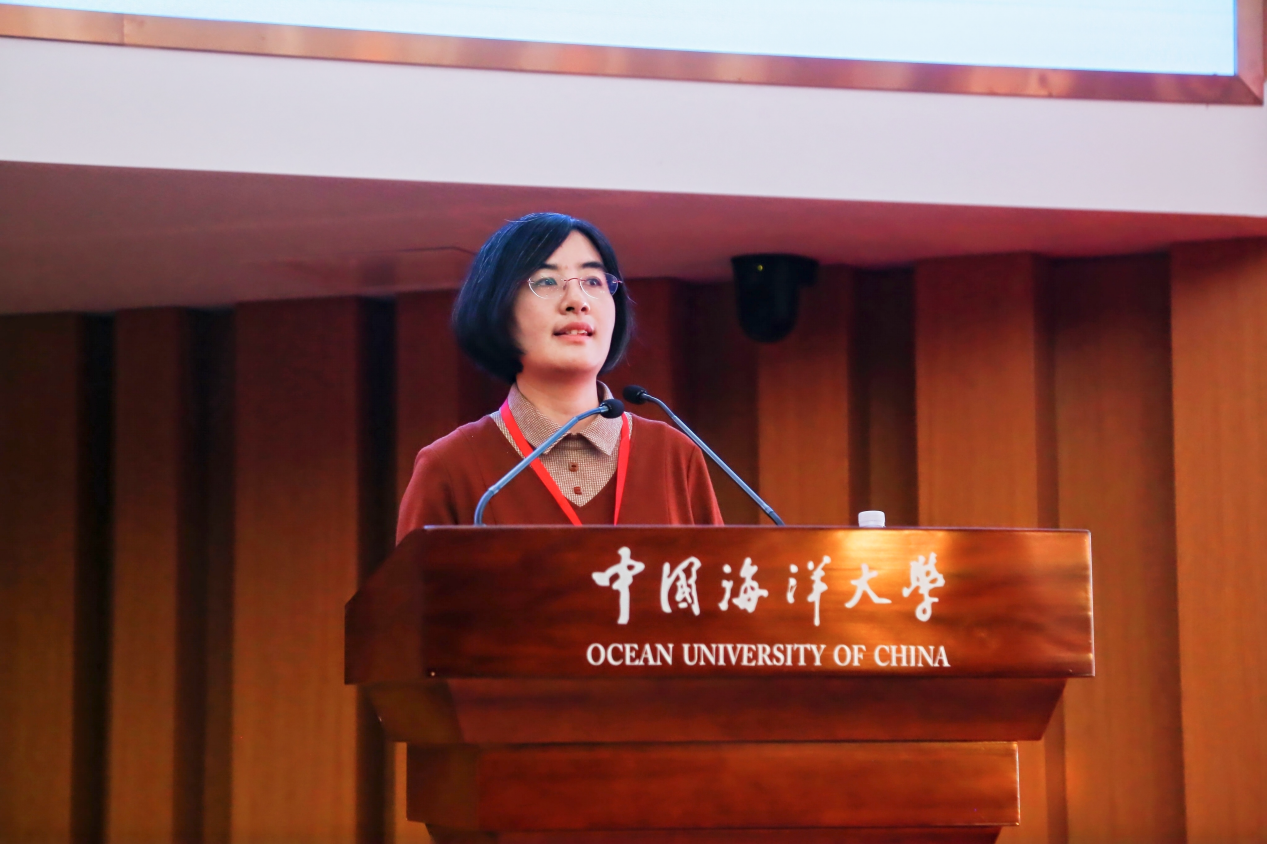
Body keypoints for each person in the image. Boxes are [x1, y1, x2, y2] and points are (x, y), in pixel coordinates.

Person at [396, 212, 722, 538]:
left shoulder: (673, 454)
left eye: (593, 281)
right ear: (498, 307)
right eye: (547, 282)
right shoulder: (450, 466)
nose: (577, 301)